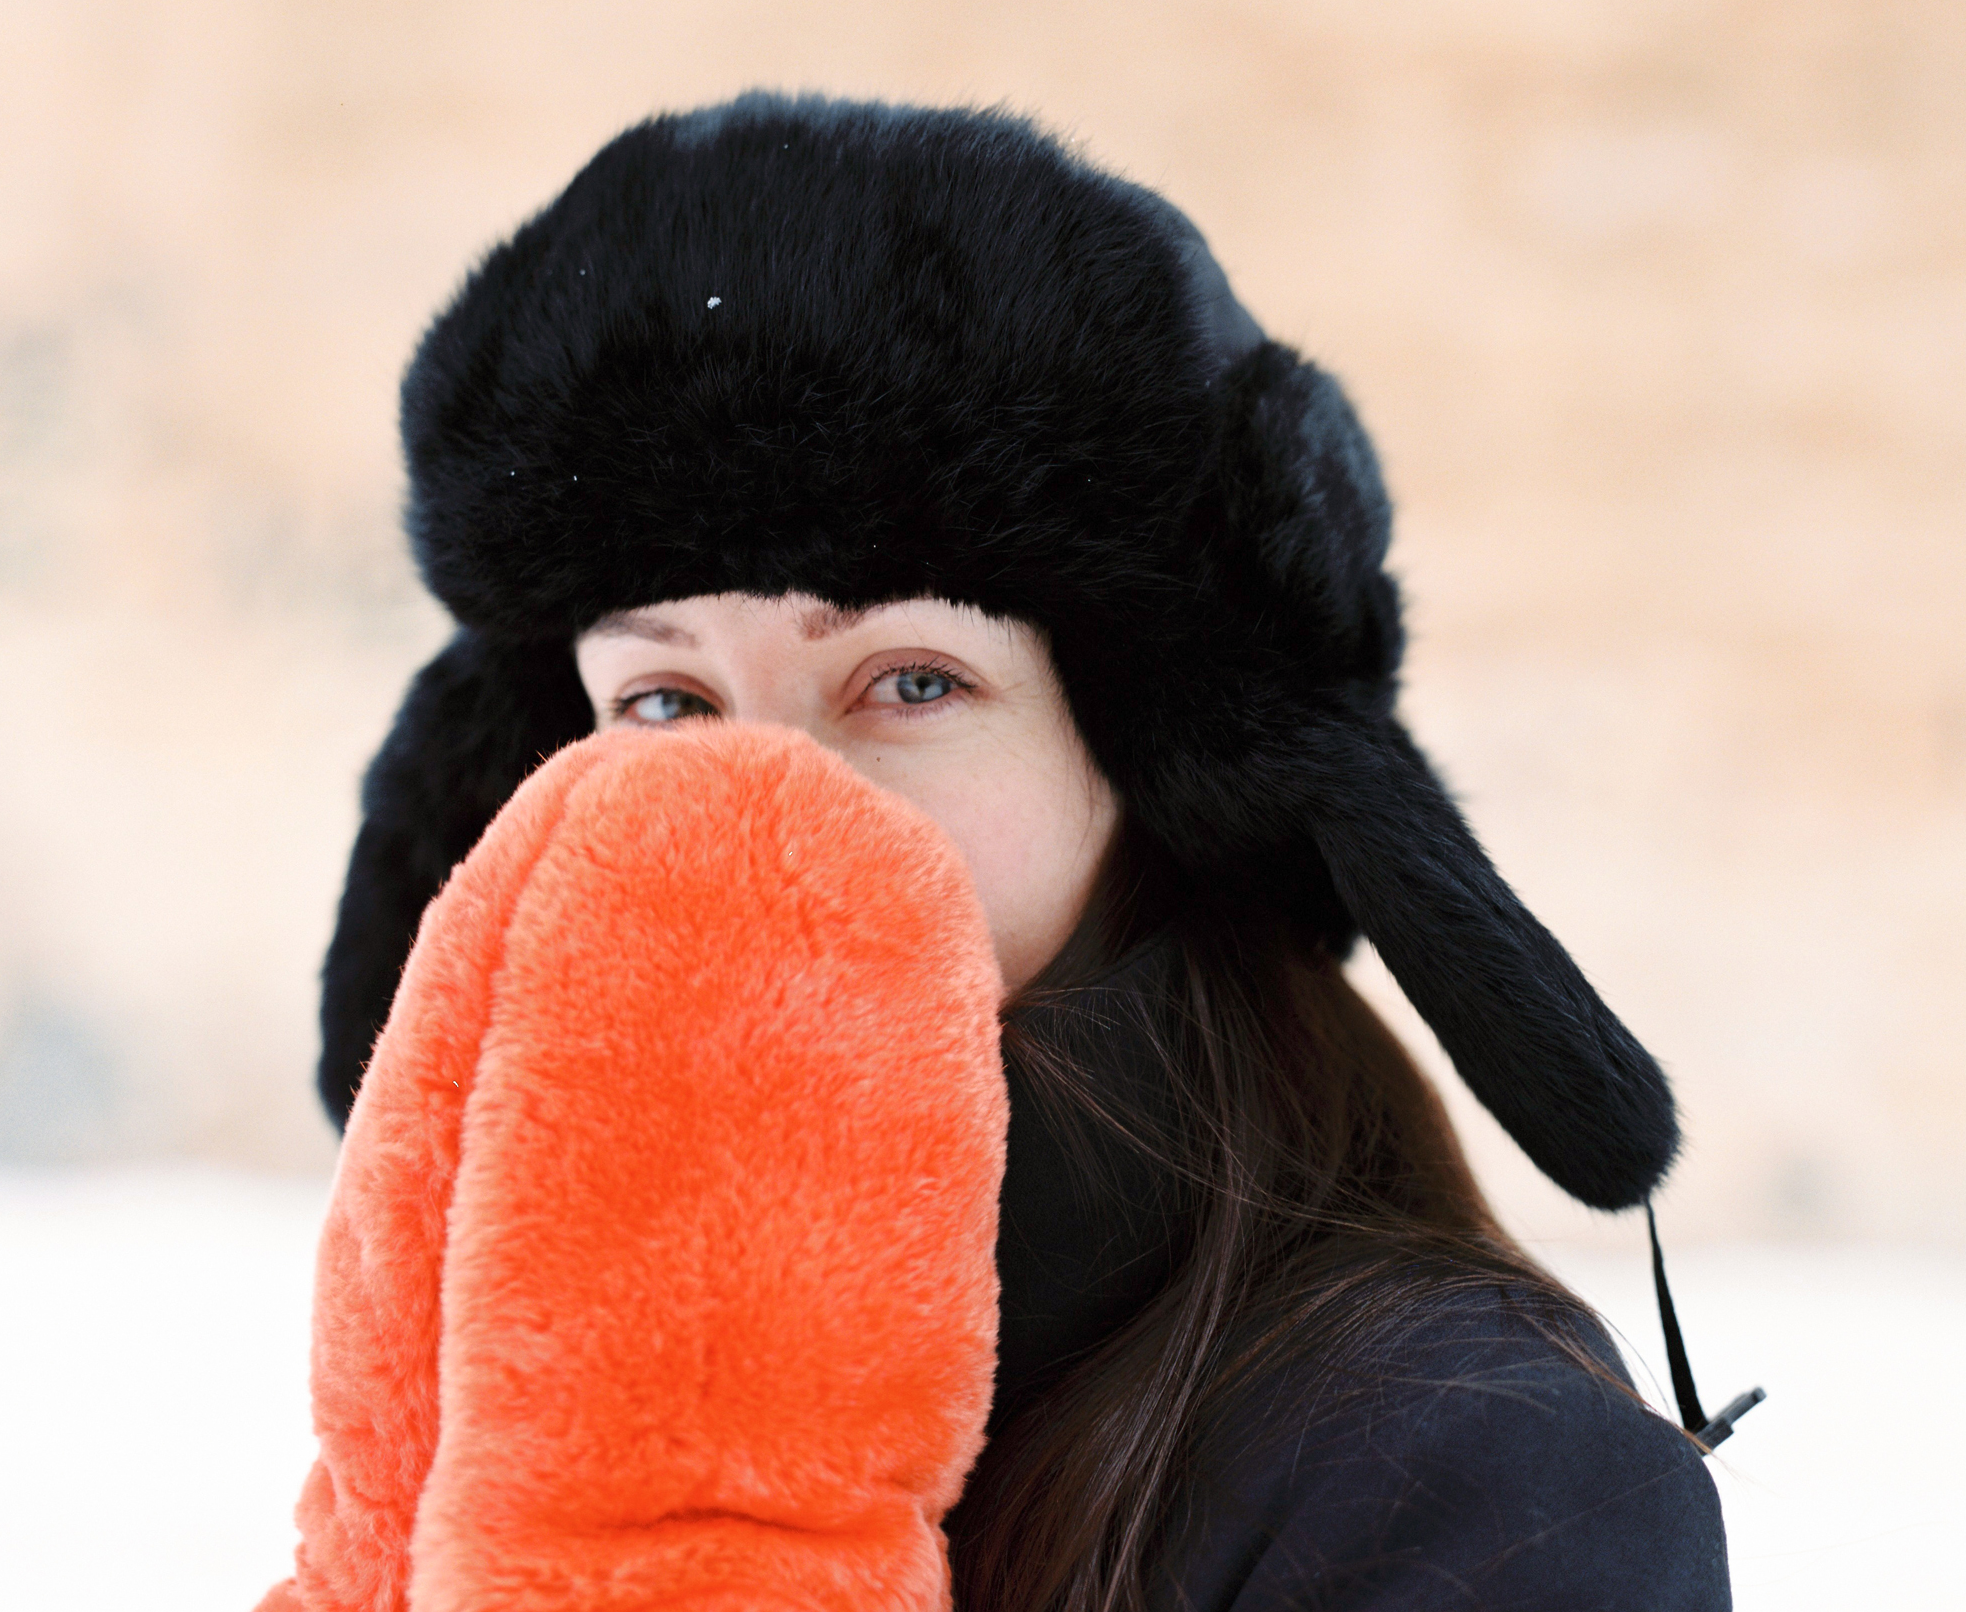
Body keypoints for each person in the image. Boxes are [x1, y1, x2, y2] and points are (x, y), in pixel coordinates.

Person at [321, 93, 1733, 1609]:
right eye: (665, 700)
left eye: (911, 682)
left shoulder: (1477, 1477)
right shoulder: (503, 1367)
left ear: (1144, 762)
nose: (763, 800)